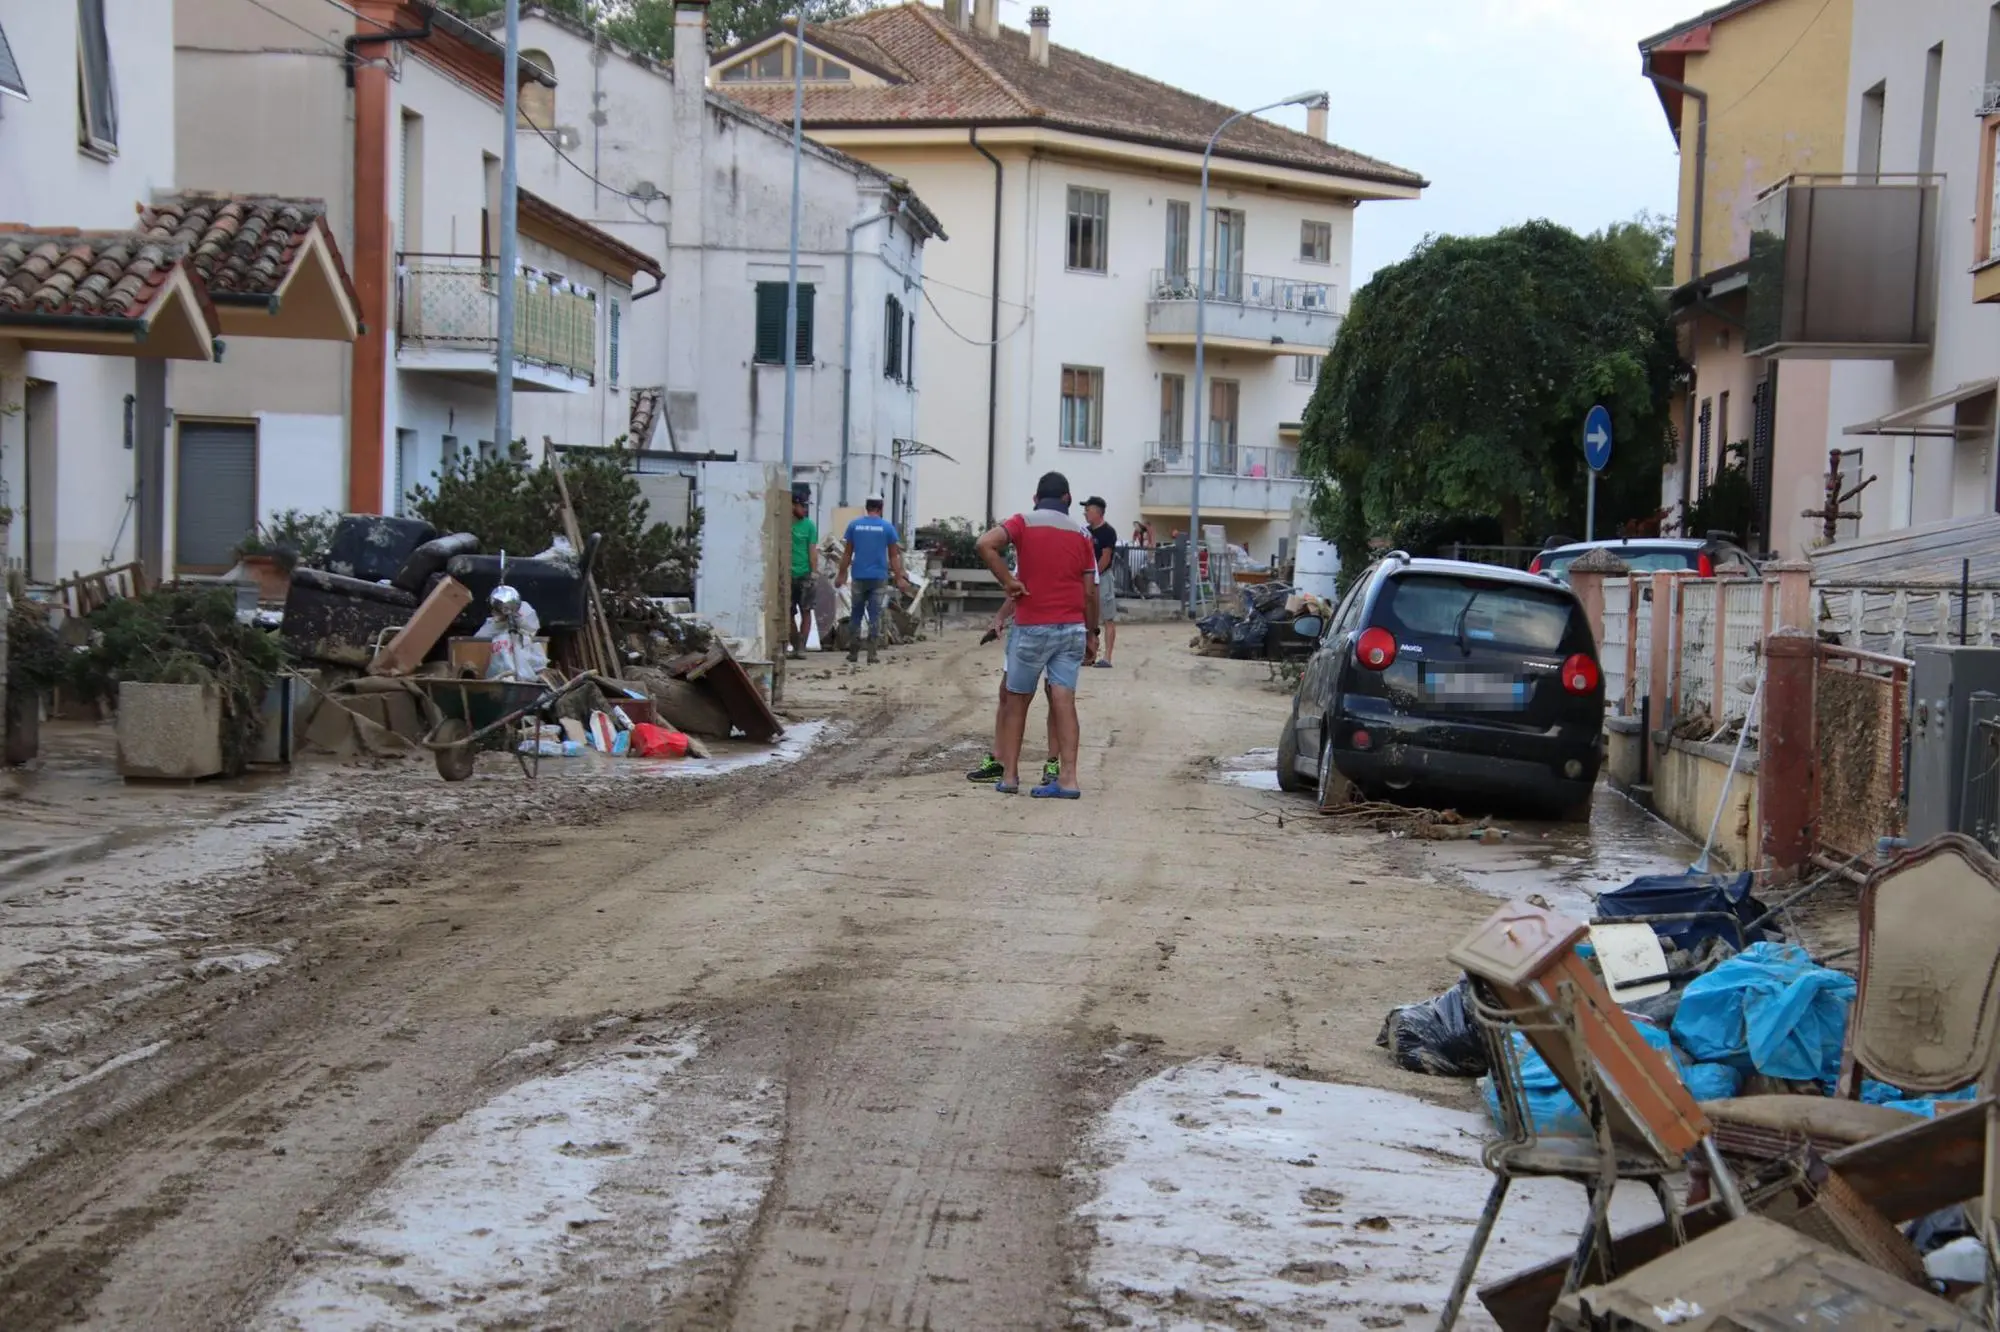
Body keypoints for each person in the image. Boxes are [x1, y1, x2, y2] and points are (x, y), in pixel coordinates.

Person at [975, 471, 1099, 798]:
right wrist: (1091, 633)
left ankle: (1011, 777)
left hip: (1031, 626)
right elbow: (1089, 592)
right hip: (1072, 627)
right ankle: (1069, 780)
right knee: (1064, 702)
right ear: (1068, 500)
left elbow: (985, 543)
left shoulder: (1022, 522)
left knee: (1017, 700)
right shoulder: (1082, 534)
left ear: (1035, 498)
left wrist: (1008, 582)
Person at [835, 495, 914, 665]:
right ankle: (872, 653)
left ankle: (854, 651)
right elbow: (894, 556)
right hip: (879, 577)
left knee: (855, 614)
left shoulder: (854, 525)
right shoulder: (887, 527)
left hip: (858, 576)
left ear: (866, 507)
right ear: (881, 507)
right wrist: (899, 578)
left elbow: (847, 553)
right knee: (875, 614)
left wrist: (841, 574)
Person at [1083, 496, 1118, 669]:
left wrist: (1094, 574)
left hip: (1102, 578)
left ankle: (1107, 657)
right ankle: (1089, 654)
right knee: (1088, 617)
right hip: (1088, 578)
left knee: (1107, 617)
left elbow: (1106, 557)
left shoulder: (1108, 532)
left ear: (1097, 512)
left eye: (1088, 510)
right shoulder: (1086, 531)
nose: (1085, 513)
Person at [788, 487, 817, 658]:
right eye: (801, 506)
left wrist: (814, 572)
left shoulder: (809, 526)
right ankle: (794, 643)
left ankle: (802, 647)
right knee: (788, 613)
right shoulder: (785, 525)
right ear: (793, 505)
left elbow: (812, 551)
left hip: (805, 574)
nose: (804, 510)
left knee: (806, 610)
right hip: (788, 575)